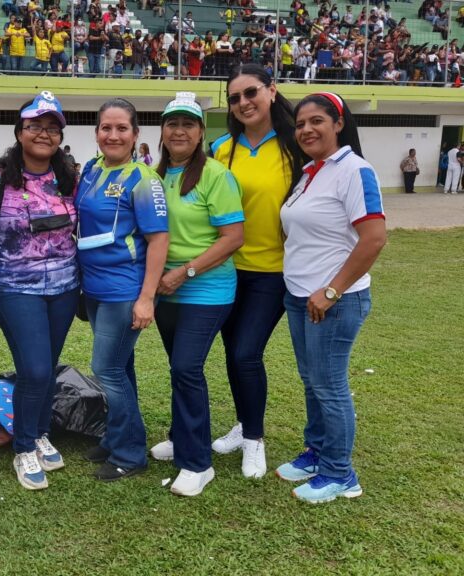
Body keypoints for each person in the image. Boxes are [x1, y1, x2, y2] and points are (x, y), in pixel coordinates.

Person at [277, 92, 386, 503]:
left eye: (317, 121)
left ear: (339, 124)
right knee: (312, 382)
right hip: (301, 296)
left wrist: (331, 289)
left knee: (329, 385)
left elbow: (374, 239)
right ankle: (317, 451)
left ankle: (341, 473)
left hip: (334, 300)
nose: (306, 129)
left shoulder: (354, 171)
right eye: (301, 123)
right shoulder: (310, 171)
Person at [0, 91, 79, 490]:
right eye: (35, 126)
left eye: (52, 127)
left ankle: (38, 432)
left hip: (66, 287)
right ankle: (23, 447)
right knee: (34, 368)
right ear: (20, 132)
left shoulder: (71, 174)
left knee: (47, 368)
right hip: (14, 287)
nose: (43, 133)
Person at [209, 63, 303, 478]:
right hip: (226, 269)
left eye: (251, 93)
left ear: (271, 91)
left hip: (273, 271)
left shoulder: (295, 146)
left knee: (247, 352)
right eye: (235, 98)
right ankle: (244, 423)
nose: (243, 103)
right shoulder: (220, 149)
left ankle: (255, 439)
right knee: (233, 353)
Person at [150, 92, 244, 497]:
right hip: (164, 289)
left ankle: (197, 462)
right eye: (173, 123)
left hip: (205, 288)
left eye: (188, 124)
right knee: (179, 367)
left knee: (186, 368)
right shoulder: (155, 175)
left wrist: (185, 272)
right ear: (162, 132)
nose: (179, 130)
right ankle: (181, 436)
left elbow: (233, 237)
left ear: (201, 132)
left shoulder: (216, 175)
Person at [76, 98, 169, 481]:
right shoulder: (91, 169)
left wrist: (146, 298)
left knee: (106, 369)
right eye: (106, 128)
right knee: (121, 367)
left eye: (121, 128)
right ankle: (116, 439)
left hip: (125, 289)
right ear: (97, 132)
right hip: (94, 288)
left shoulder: (144, 180)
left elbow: (159, 241)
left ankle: (130, 453)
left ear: (135, 134)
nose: (113, 135)